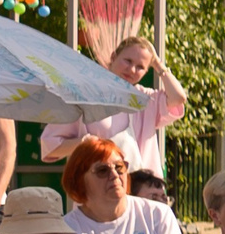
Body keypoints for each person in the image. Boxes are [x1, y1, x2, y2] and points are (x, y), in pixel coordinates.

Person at [40, 35, 188, 178]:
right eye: (128, 61)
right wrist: (84, 143)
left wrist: (158, 64)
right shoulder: (85, 96)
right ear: (113, 57)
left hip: (142, 192)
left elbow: (178, 98)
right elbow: (50, 146)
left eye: (140, 67)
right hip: (97, 191)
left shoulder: (145, 99)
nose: (132, 70)